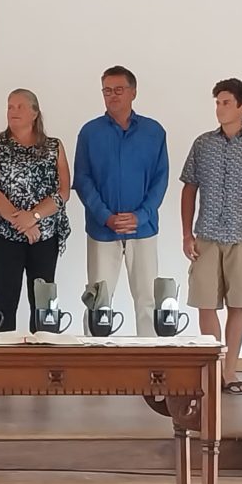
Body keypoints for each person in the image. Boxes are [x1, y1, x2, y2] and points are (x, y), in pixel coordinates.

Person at [181, 78, 242, 394]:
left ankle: (231, 371)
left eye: (225, 103)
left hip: (241, 236)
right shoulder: (202, 144)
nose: (219, 108)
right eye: (217, 103)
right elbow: (189, 189)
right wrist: (186, 234)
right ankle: (213, 369)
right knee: (205, 304)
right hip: (207, 234)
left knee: (238, 304)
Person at [73, 65, 168, 336]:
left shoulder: (154, 132)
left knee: (148, 299)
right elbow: (82, 179)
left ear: (133, 92)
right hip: (102, 229)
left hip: (143, 229)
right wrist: (106, 217)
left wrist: (141, 215)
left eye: (118, 90)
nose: (112, 95)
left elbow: (160, 179)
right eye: (107, 91)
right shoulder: (90, 132)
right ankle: (94, 359)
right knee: (98, 299)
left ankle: (149, 357)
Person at [0, 88, 70, 333]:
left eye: (19, 106)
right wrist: (21, 223)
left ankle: (43, 353)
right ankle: (2, 354)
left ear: (35, 113)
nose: (13, 111)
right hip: (4, 235)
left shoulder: (54, 146)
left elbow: (63, 192)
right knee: (5, 300)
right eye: (10, 106)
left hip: (44, 234)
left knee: (43, 302)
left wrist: (34, 217)